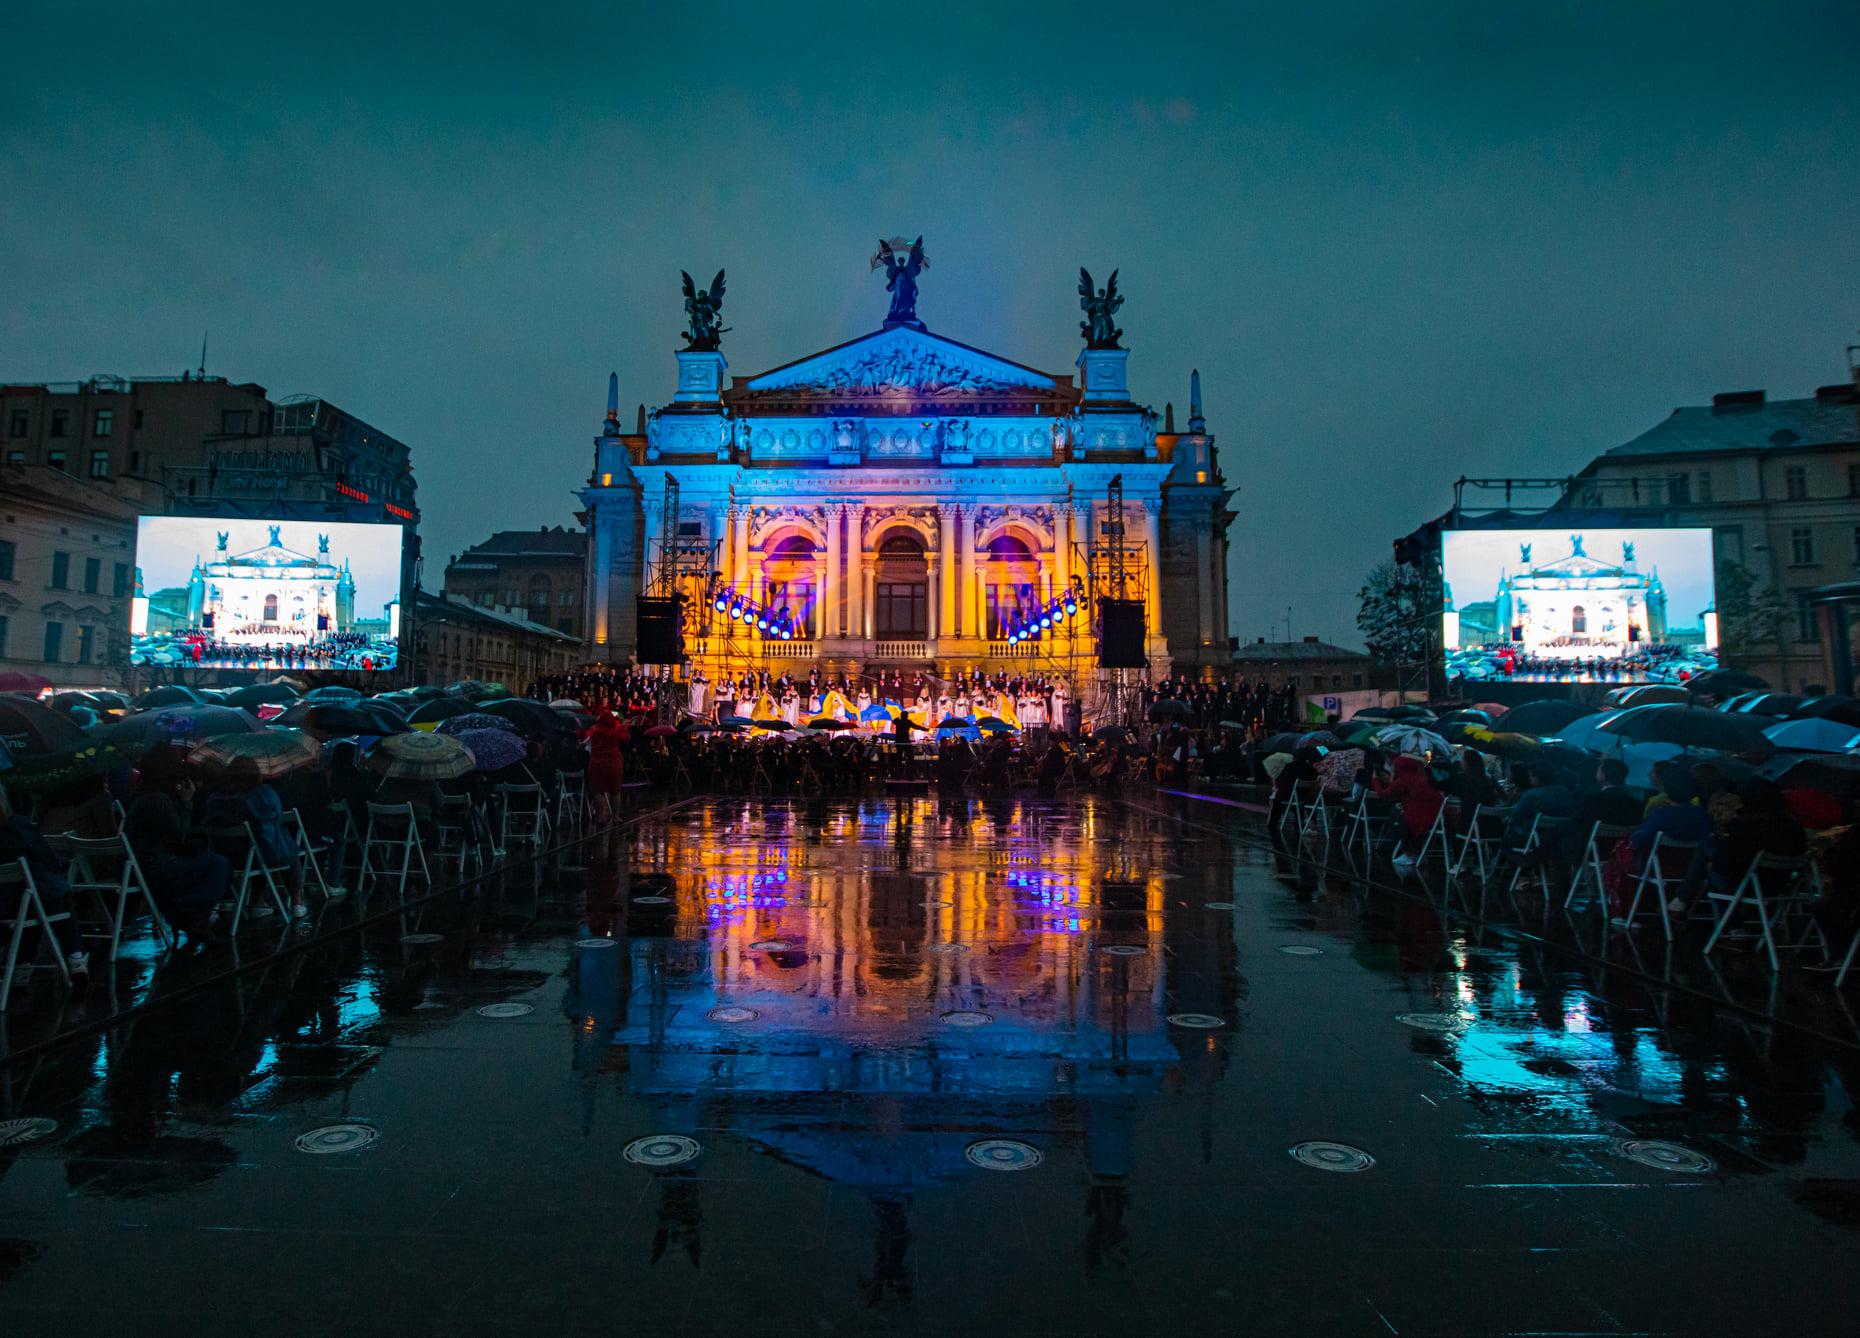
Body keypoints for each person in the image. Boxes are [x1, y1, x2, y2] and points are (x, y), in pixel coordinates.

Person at [124, 744, 230, 946]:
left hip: (141, 868)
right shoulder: (158, 799)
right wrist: (187, 801)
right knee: (220, 864)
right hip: (159, 870)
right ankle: (197, 918)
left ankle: (188, 917)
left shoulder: (140, 798)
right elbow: (178, 834)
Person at [0, 785, 88, 983]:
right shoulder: (16, 826)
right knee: (53, 897)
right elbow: (46, 856)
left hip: (6, 908)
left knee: (30, 904)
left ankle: (24, 963)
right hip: (33, 898)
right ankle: (76, 957)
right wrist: (59, 864)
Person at [205, 754, 309, 919]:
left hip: (224, 857)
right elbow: (277, 818)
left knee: (256, 846)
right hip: (260, 855)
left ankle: (259, 901)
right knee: (285, 847)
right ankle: (296, 901)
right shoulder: (263, 794)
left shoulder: (215, 799)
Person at [1373, 753, 1444, 867]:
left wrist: (1375, 780)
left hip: (1418, 817)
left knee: (1401, 818)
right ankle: (1417, 852)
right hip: (1437, 816)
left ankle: (1408, 852)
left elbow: (1383, 795)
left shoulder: (1404, 780)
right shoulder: (1421, 778)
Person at [585, 711, 625, 822]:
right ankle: (615, 816)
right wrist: (622, 725)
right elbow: (625, 737)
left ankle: (599, 817)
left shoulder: (594, 731)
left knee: (598, 791)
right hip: (613, 764)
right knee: (615, 791)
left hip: (597, 764)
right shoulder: (614, 731)